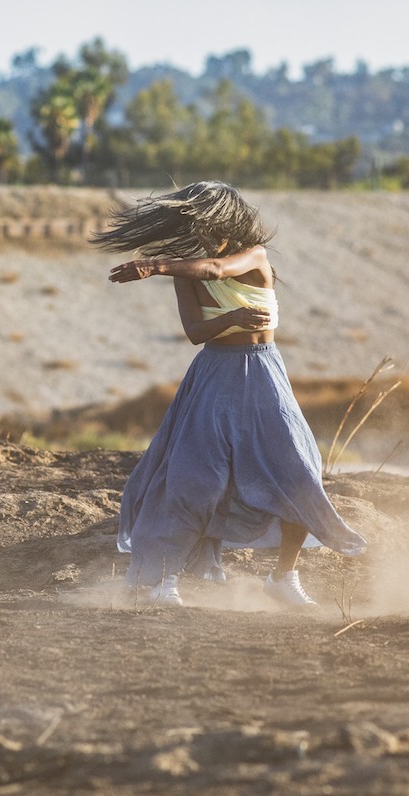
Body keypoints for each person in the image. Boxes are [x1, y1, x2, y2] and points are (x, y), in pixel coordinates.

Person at [93, 181, 366, 608]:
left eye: (207, 226)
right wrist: (230, 316)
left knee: (297, 472)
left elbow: (217, 272)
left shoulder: (252, 255)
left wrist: (158, 266)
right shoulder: (185, 270)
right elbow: (195, 333)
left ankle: (283, 578)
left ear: (229, 221)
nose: (202, 236)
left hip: (263, 373)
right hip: (214, 376)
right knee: (193, 479)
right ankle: (163, 581)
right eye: (195, 227)